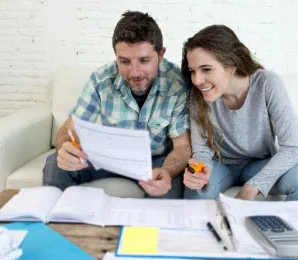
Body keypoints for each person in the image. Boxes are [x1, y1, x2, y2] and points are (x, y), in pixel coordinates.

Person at [43, 11, 191, 198]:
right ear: (115, 55)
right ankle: (47, 221)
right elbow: (69, 129)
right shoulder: (101, 79)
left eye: (144, 61)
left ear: (161, 55)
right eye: (125, 61)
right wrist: (65, 149)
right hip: (106, 158)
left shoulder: (177, 84)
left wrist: (168, 172)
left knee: (168, 193)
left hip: (155, 162)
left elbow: (182, 146)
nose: (135, 72)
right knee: (55, 162)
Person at [181, 25, 298, 201]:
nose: (197, 80)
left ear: (231, 64)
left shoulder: (267, 84)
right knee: (196, 193)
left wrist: (254, 186)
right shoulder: (197, 95)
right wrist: (200, 171)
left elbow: (292, 148)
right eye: (193, 71)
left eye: (206, 69)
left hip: (259, 164)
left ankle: (289, 228)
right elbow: (202, 151)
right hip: (220, 165)